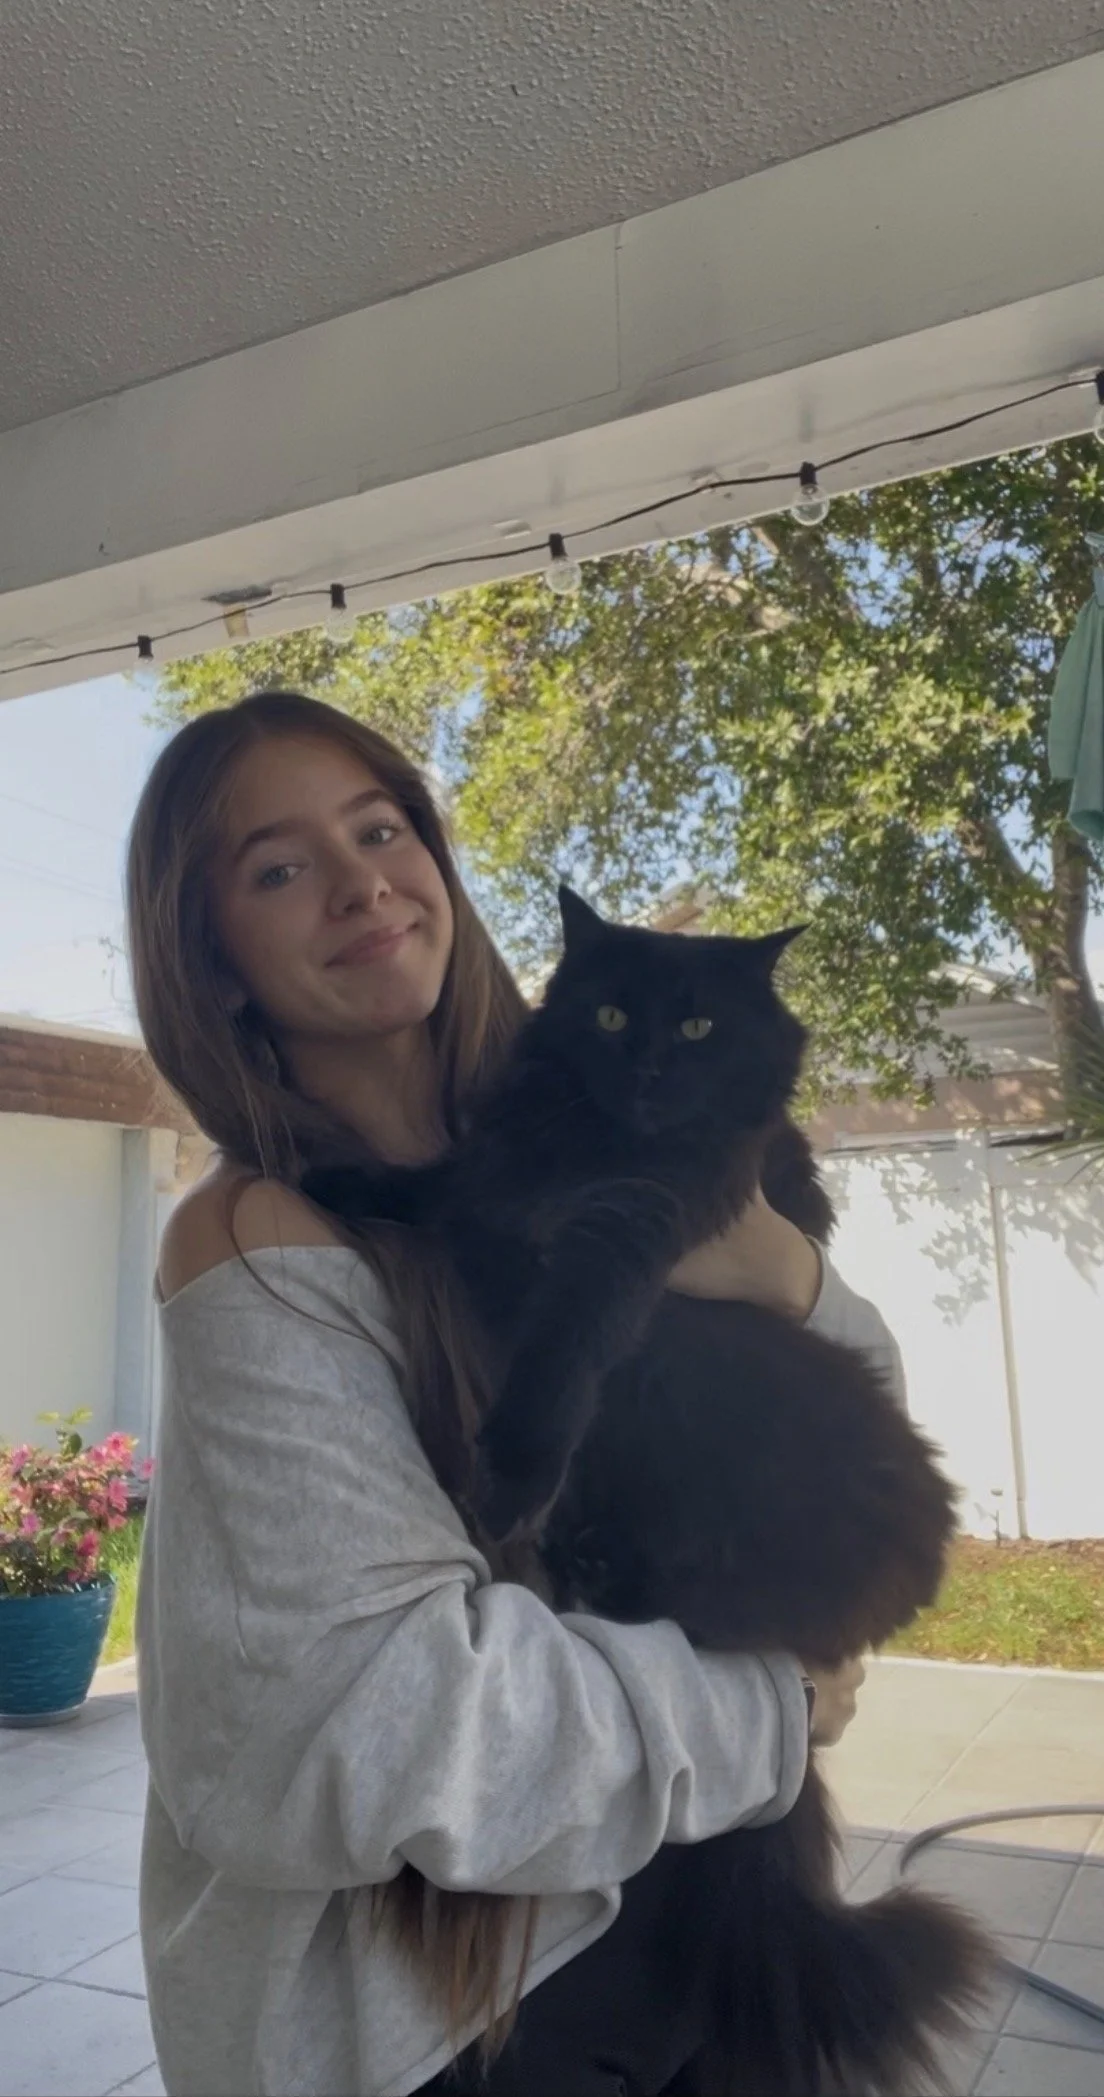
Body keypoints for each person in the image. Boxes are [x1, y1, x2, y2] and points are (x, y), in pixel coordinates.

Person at [129, 690, 902, 2097]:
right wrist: (770, 1707)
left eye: (381, 831)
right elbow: (371, 1732)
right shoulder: (261, 1247)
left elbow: (858, 1418)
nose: (362, 882)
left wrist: (782, 1272)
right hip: (453, 2011)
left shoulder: (603, 1115)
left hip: (694, 1915)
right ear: (215, 961)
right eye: (281, 867)